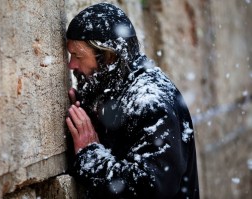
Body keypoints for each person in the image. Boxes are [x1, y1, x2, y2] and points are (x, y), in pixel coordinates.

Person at [65, 2, 199, 199]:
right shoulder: (123, 87)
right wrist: (90, 120)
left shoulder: (150, 101)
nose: (71, 64)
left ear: (108, 56)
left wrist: (90, 154)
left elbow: (151, 187)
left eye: (78, 55)